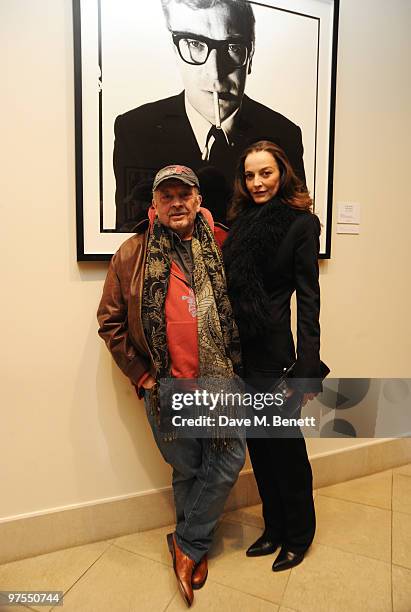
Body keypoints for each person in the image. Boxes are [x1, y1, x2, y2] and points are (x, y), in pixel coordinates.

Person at [97, 164, 245, 607]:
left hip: (220, 384)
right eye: (168, 196)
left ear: (199, 201)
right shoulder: (131, 254)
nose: (177, 203)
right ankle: (194, 545)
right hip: (166, 387)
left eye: (185, 194)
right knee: (187, 468)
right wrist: (142, 376)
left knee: (229, 459)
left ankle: (187, 543)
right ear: (154, 206)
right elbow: (111, 322)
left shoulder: (222, 245)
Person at [114, 0, 306, 229]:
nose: (215, 72)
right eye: (195, 44)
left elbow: (294, 223)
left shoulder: (284, 134)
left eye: (233, 48)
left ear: (251, 53)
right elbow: (132, 226)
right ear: (175, 50)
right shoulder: (135, 129)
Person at [223, 140, 324, 572]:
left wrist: (307, 367)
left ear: (281, 173)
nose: (258, 182)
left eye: (265, 172)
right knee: (260, 452)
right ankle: (273, 528)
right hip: (243, 355)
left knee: (285, 451)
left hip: (279, 358)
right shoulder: (241, 222)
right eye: (250, 175)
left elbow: (309, 300)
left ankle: (299, 534)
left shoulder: (302, 224)